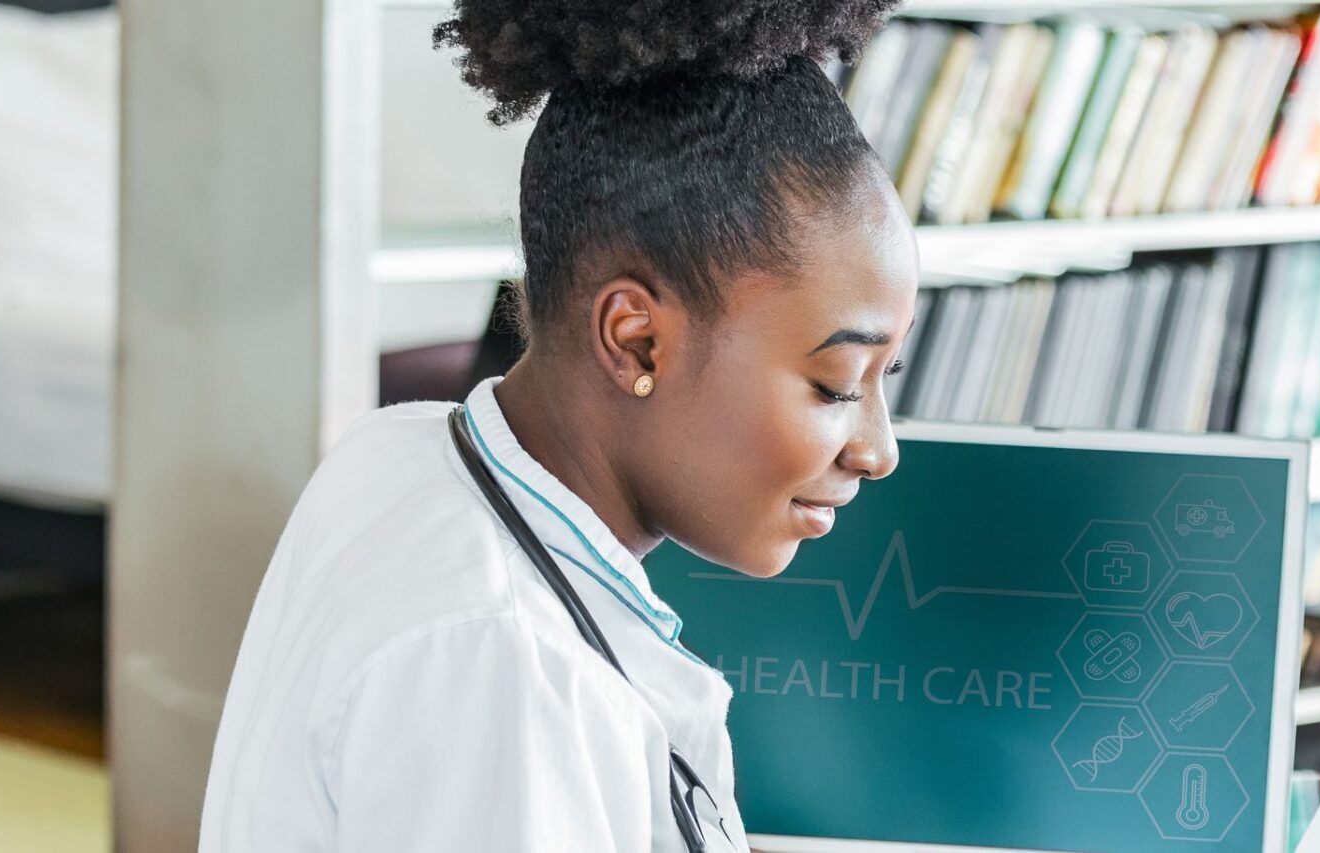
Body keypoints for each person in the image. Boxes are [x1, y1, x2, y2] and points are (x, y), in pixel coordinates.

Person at [200, 0, 911, 848]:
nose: (879, 449)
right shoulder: (501, 666)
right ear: (635, 338)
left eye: (884, 378)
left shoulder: (397, 448)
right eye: (836, 383)